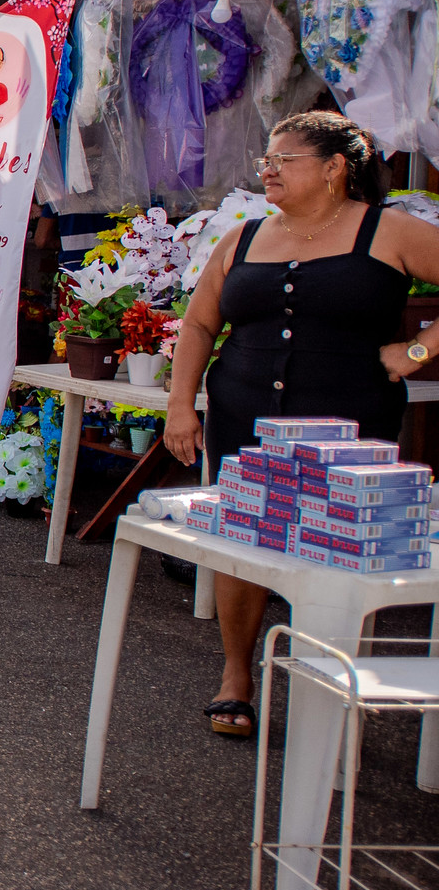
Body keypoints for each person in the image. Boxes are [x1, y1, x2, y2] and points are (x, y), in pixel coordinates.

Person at [164, 112, 439, 737]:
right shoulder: (245, 237)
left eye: (283, 159)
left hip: (350, 423)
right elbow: (201, 324)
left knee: (338, 549)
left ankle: (329, 687)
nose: (267, 169)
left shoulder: (387, 231)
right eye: (266, 159)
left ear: (335, 167)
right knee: (241, 542)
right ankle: (237, 674)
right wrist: (181, 405)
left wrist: (418, 351)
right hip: (243, 413)